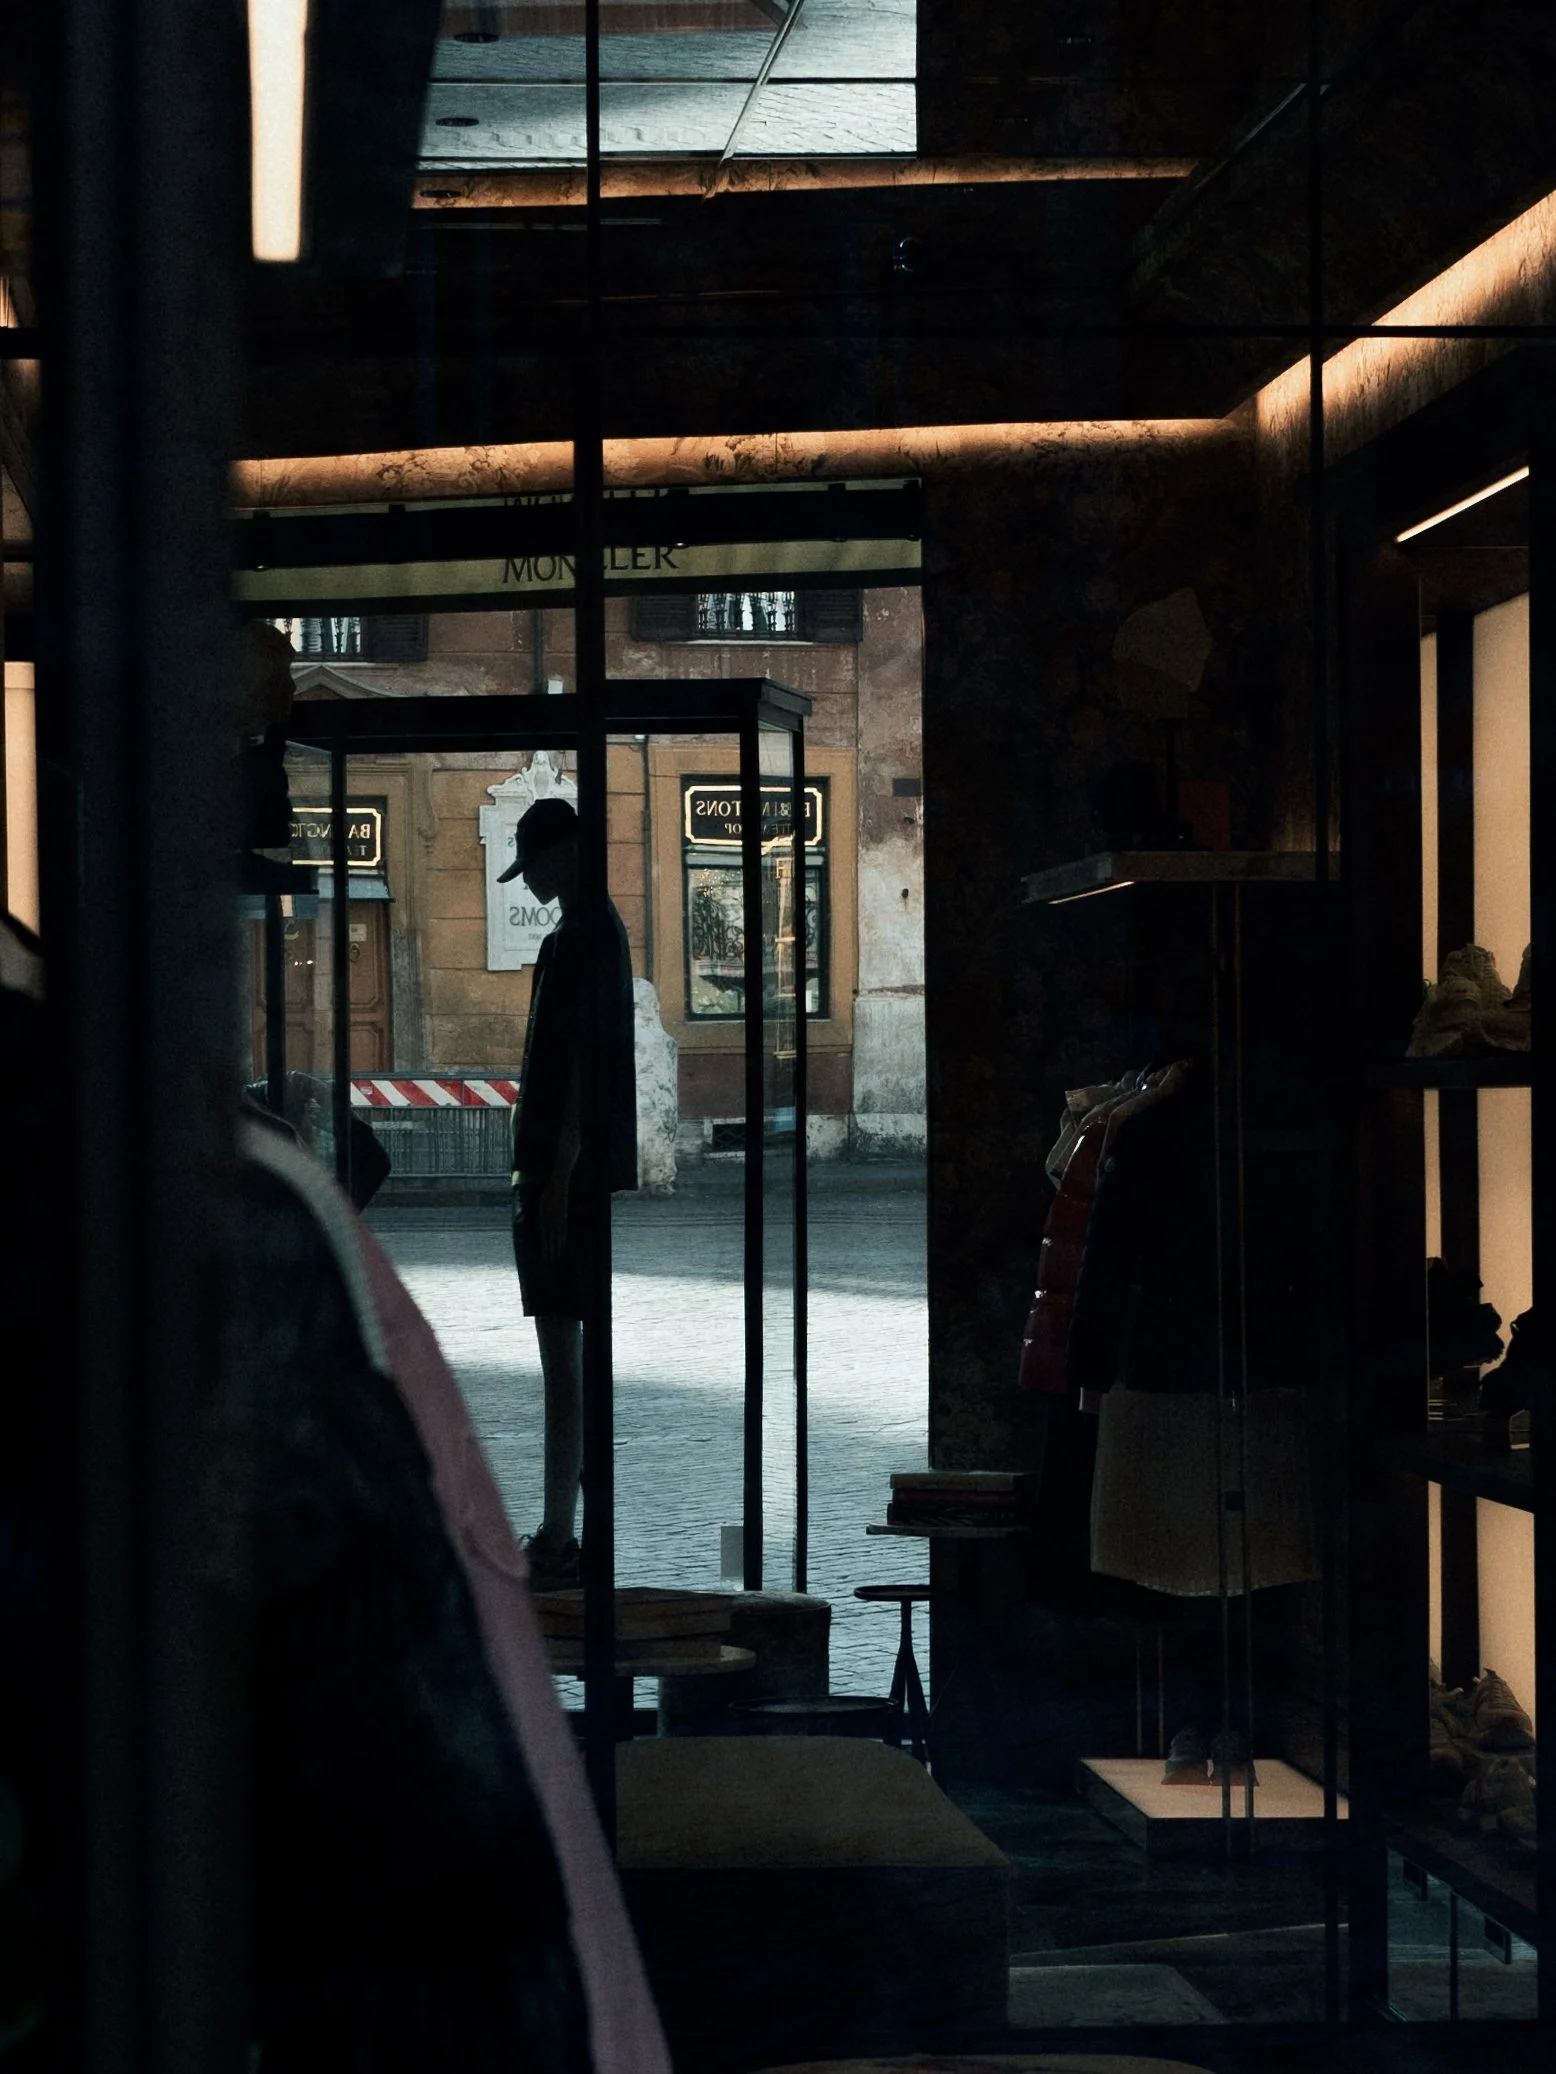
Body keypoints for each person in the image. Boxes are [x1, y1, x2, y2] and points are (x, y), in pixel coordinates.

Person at [500, 798, 637, 1590]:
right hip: (569, 1171)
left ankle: (559, 1539)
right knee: (568, 1362)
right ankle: (565, 1531)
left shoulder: (582, 936)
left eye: (540, 865)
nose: (536, 882)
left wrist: (555, 1178)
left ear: (565, 854)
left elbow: (583, 1066)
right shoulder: (596, 930)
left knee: (563, 1364)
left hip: (564, 1175)